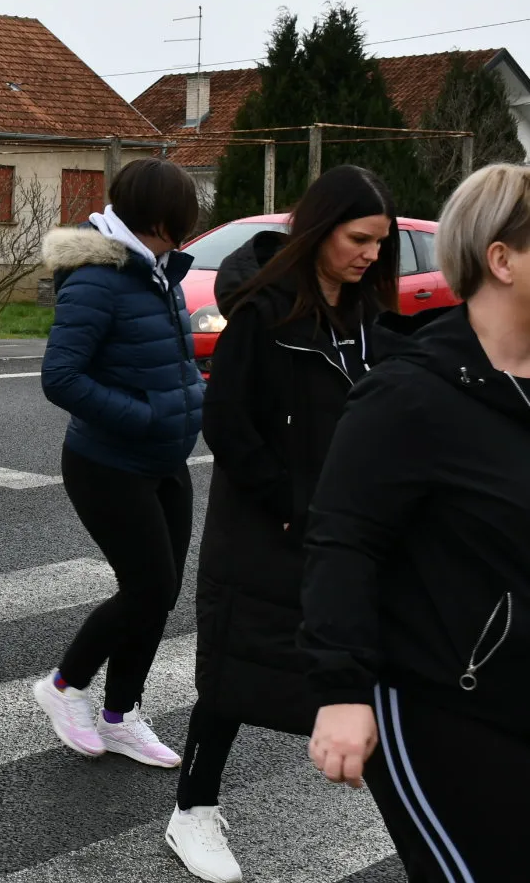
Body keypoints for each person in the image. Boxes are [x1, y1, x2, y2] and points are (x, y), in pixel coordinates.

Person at [165, 166, 400, 883]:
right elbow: (228, 427)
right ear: (321, 230)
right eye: (359, 239)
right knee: (239, 670)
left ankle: (425, 818)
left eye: (380, 244)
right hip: (270, 523)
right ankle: (192, 811)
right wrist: (293, 506)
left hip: (349, 524)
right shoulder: (263, 313)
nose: (370, 255)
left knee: (372, 666)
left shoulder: (367, 318)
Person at [302, 163, 530, 882]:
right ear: (502, 260)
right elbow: (343, 542)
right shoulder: (408, 397)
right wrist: (341, 691)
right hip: (439, 704)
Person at [34, 157, 204, 769]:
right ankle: (63, 686)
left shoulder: (158, 270)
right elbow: (61, 377)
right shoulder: (97, 278)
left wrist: (193, 399)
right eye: (184, 215)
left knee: (158, 594)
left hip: (165, 461)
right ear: (162, 218)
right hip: (108, 462)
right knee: (148, 587)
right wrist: (146, 415)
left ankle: (120, 714)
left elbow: (168, 360)